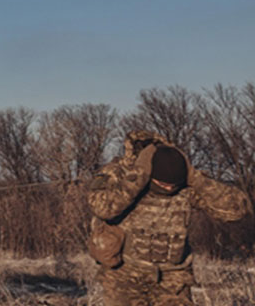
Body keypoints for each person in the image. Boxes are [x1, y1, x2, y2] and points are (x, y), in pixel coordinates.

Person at [88, 130, 252, 306]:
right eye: (162, 184)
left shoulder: (185, 182)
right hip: (124, 276)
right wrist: (138, 177)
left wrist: (197, 179)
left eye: (173, 186)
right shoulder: (118, 173)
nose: (168, 189)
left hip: (173, 278)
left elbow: (237, 209)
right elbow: (102, 208)